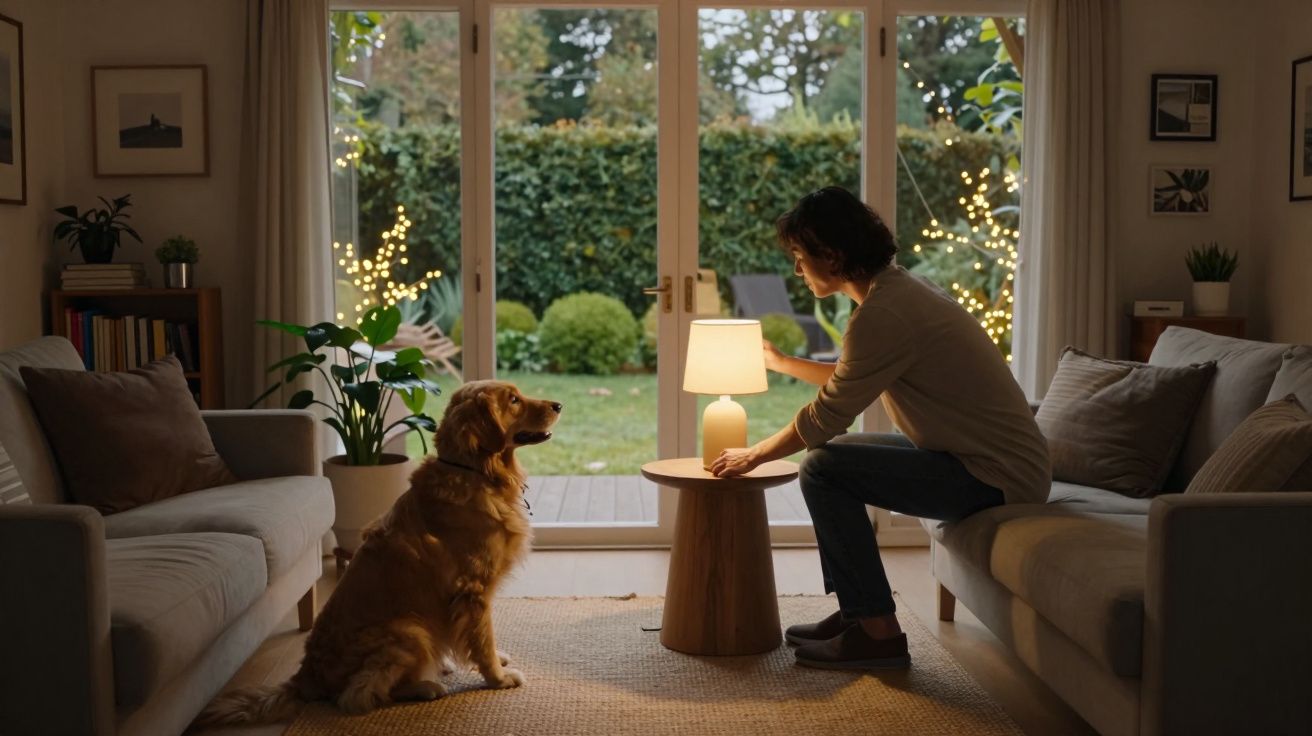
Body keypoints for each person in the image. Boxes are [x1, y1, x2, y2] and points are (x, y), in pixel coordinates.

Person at [710, 186, 1049, 671]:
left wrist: (754, 454)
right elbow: (855, 374)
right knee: (835, 458)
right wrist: (784, 362)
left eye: (801, 258)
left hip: (996, 477)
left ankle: (877, 633)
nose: (798, 269)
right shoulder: (895, 292)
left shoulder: (884, 314)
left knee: (824, 467)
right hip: (989, 463)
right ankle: (858, 614)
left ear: (833, 255)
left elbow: (827, 416)